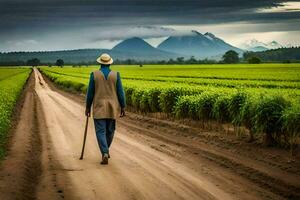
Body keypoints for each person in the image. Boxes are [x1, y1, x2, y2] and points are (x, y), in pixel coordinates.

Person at [85, 53, 126, 165]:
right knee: (110, 131)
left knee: (100, 131)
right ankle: (106, 151)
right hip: (113, 107)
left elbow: (90, 94)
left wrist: (87, 107)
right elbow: (121, 93)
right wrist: (123, 107)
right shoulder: (116, 75)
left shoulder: (94, 75)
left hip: (99, 107)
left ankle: (104, 152)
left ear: (100, 62)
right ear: (109, 63)